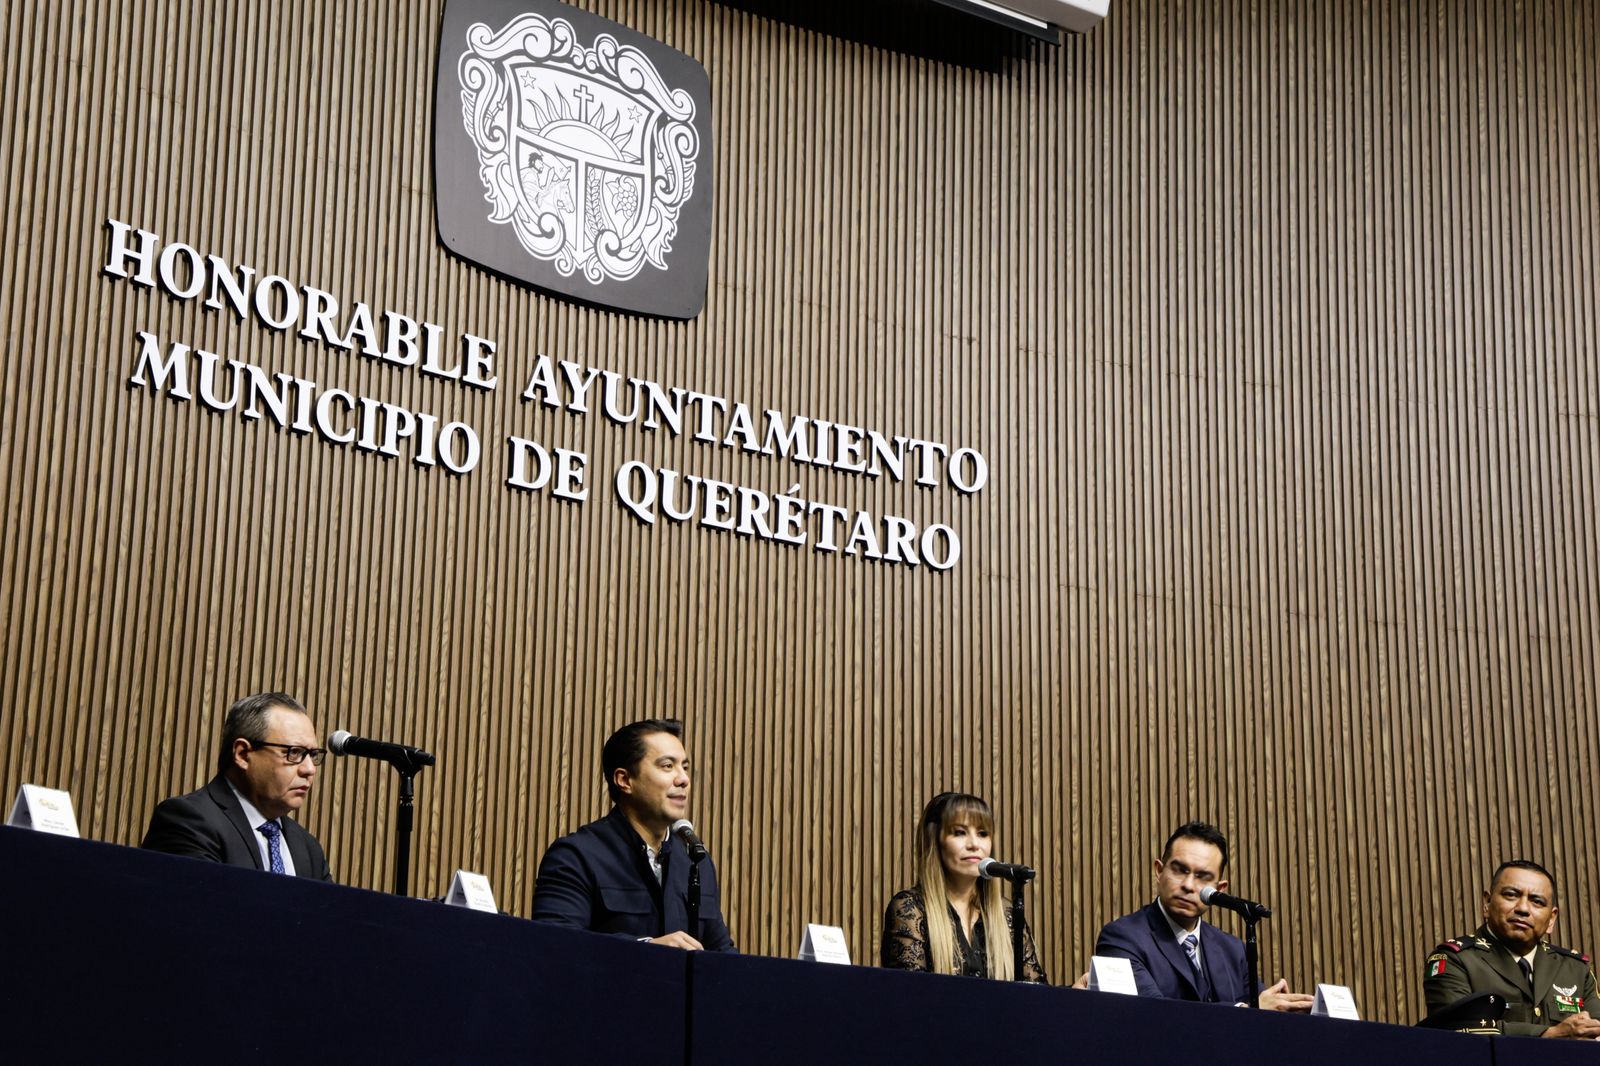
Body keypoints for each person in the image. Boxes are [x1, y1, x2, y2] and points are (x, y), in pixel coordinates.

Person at [532, 719, 735, 951]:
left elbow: (722, 953)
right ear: (625, 780)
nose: (683, 779)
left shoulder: (696, 861)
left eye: (685, 767)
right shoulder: (575, 856)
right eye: (668, 766)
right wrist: (645, 950)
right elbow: (555, 947)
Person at [1093, 820, 1310, 1009]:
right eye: (1180, 870)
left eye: (1203, 877)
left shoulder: (1233, 950)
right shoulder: (1122, 938)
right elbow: (1153, 1015)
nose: (1188, 885)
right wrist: (1245, 1009)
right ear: (1159, 871)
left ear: (1219, 889)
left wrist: (1283, 1008)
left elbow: (1261, 1009)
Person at [141, 691, 331, 880]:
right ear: (242, 754)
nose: (309, 769)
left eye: (313, 755)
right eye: (294, 752)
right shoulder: (187, 822)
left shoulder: (308, 848)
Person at [880, 792, 1047, 982]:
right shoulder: (911, 909)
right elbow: (909, 994)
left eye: (982, 834)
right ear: (935, 842)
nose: (974, 844)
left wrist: (1070, 992)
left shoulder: (1006, 913)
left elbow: (1036, 994)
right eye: (960, 832)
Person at [1423, 859, 1600, 1038]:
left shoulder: (1575, 969)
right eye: (1511, 895)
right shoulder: (1455, 959)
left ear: (1552, 919)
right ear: (1487, 903)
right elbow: (1457, 1029)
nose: (1523, 908)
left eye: (1537, 901)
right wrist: (1550, 1034)